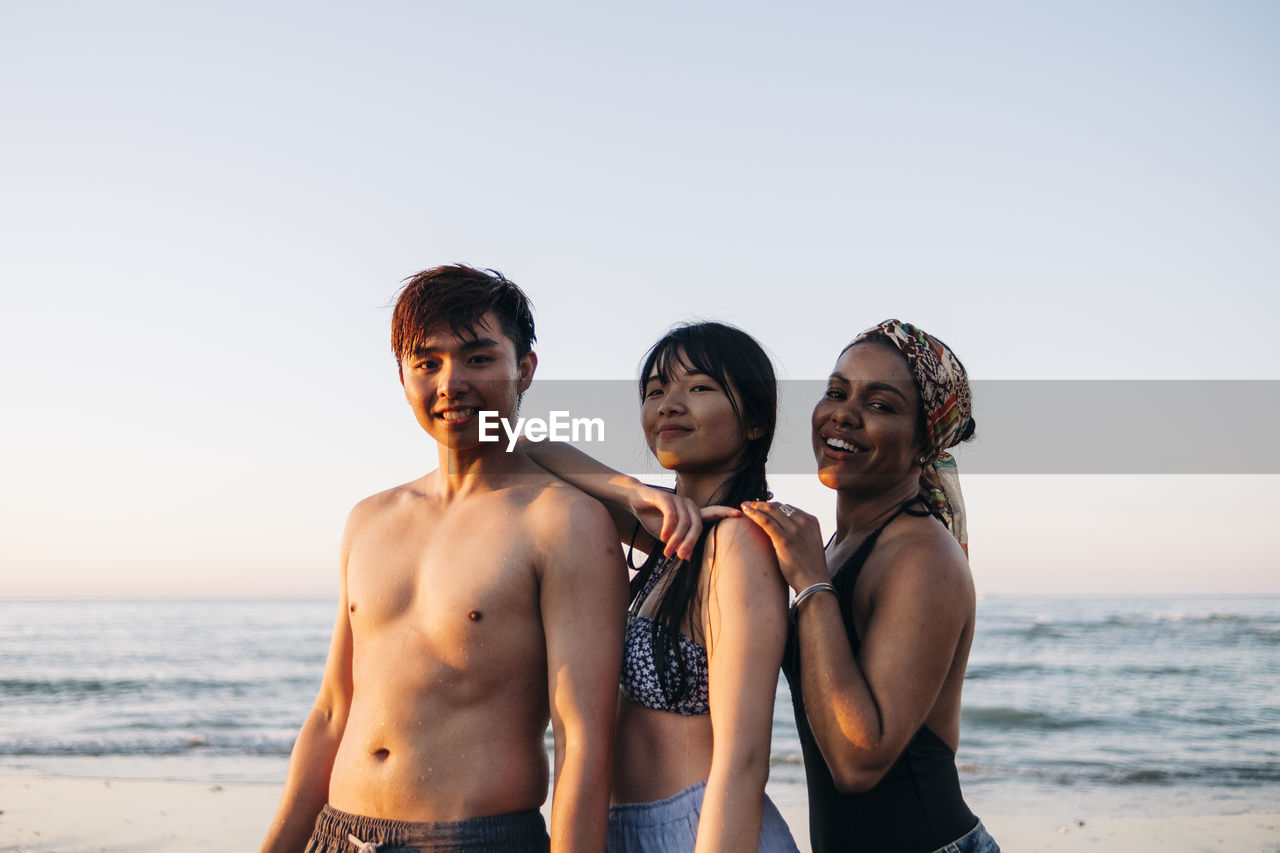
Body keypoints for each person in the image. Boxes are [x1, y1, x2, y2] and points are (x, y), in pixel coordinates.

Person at [259, 265, 627, 853]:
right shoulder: (370, 519)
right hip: (338, 832)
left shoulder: (563, 521)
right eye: (426, 362)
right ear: (402, 377)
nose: (450, 382)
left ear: (524, 369)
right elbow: (332, 710)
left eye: (478, 358)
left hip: (475, 839)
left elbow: (582, 739)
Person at [524, 322, 801, 853]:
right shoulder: (676, 539)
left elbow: (743, 763)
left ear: (755, 423)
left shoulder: (738, 544)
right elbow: (528, 449)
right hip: (631, 830)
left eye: (698, 388)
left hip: (702, 829)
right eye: (655, 391)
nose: (669, 405)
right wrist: (634, 493)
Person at [740, 319, 999, 853]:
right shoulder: (839, 544)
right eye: (837, 392)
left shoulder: (923, 556)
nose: (844, 414)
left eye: (881, 405)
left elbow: (859, 762)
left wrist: (810, 582)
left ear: (925, 440)